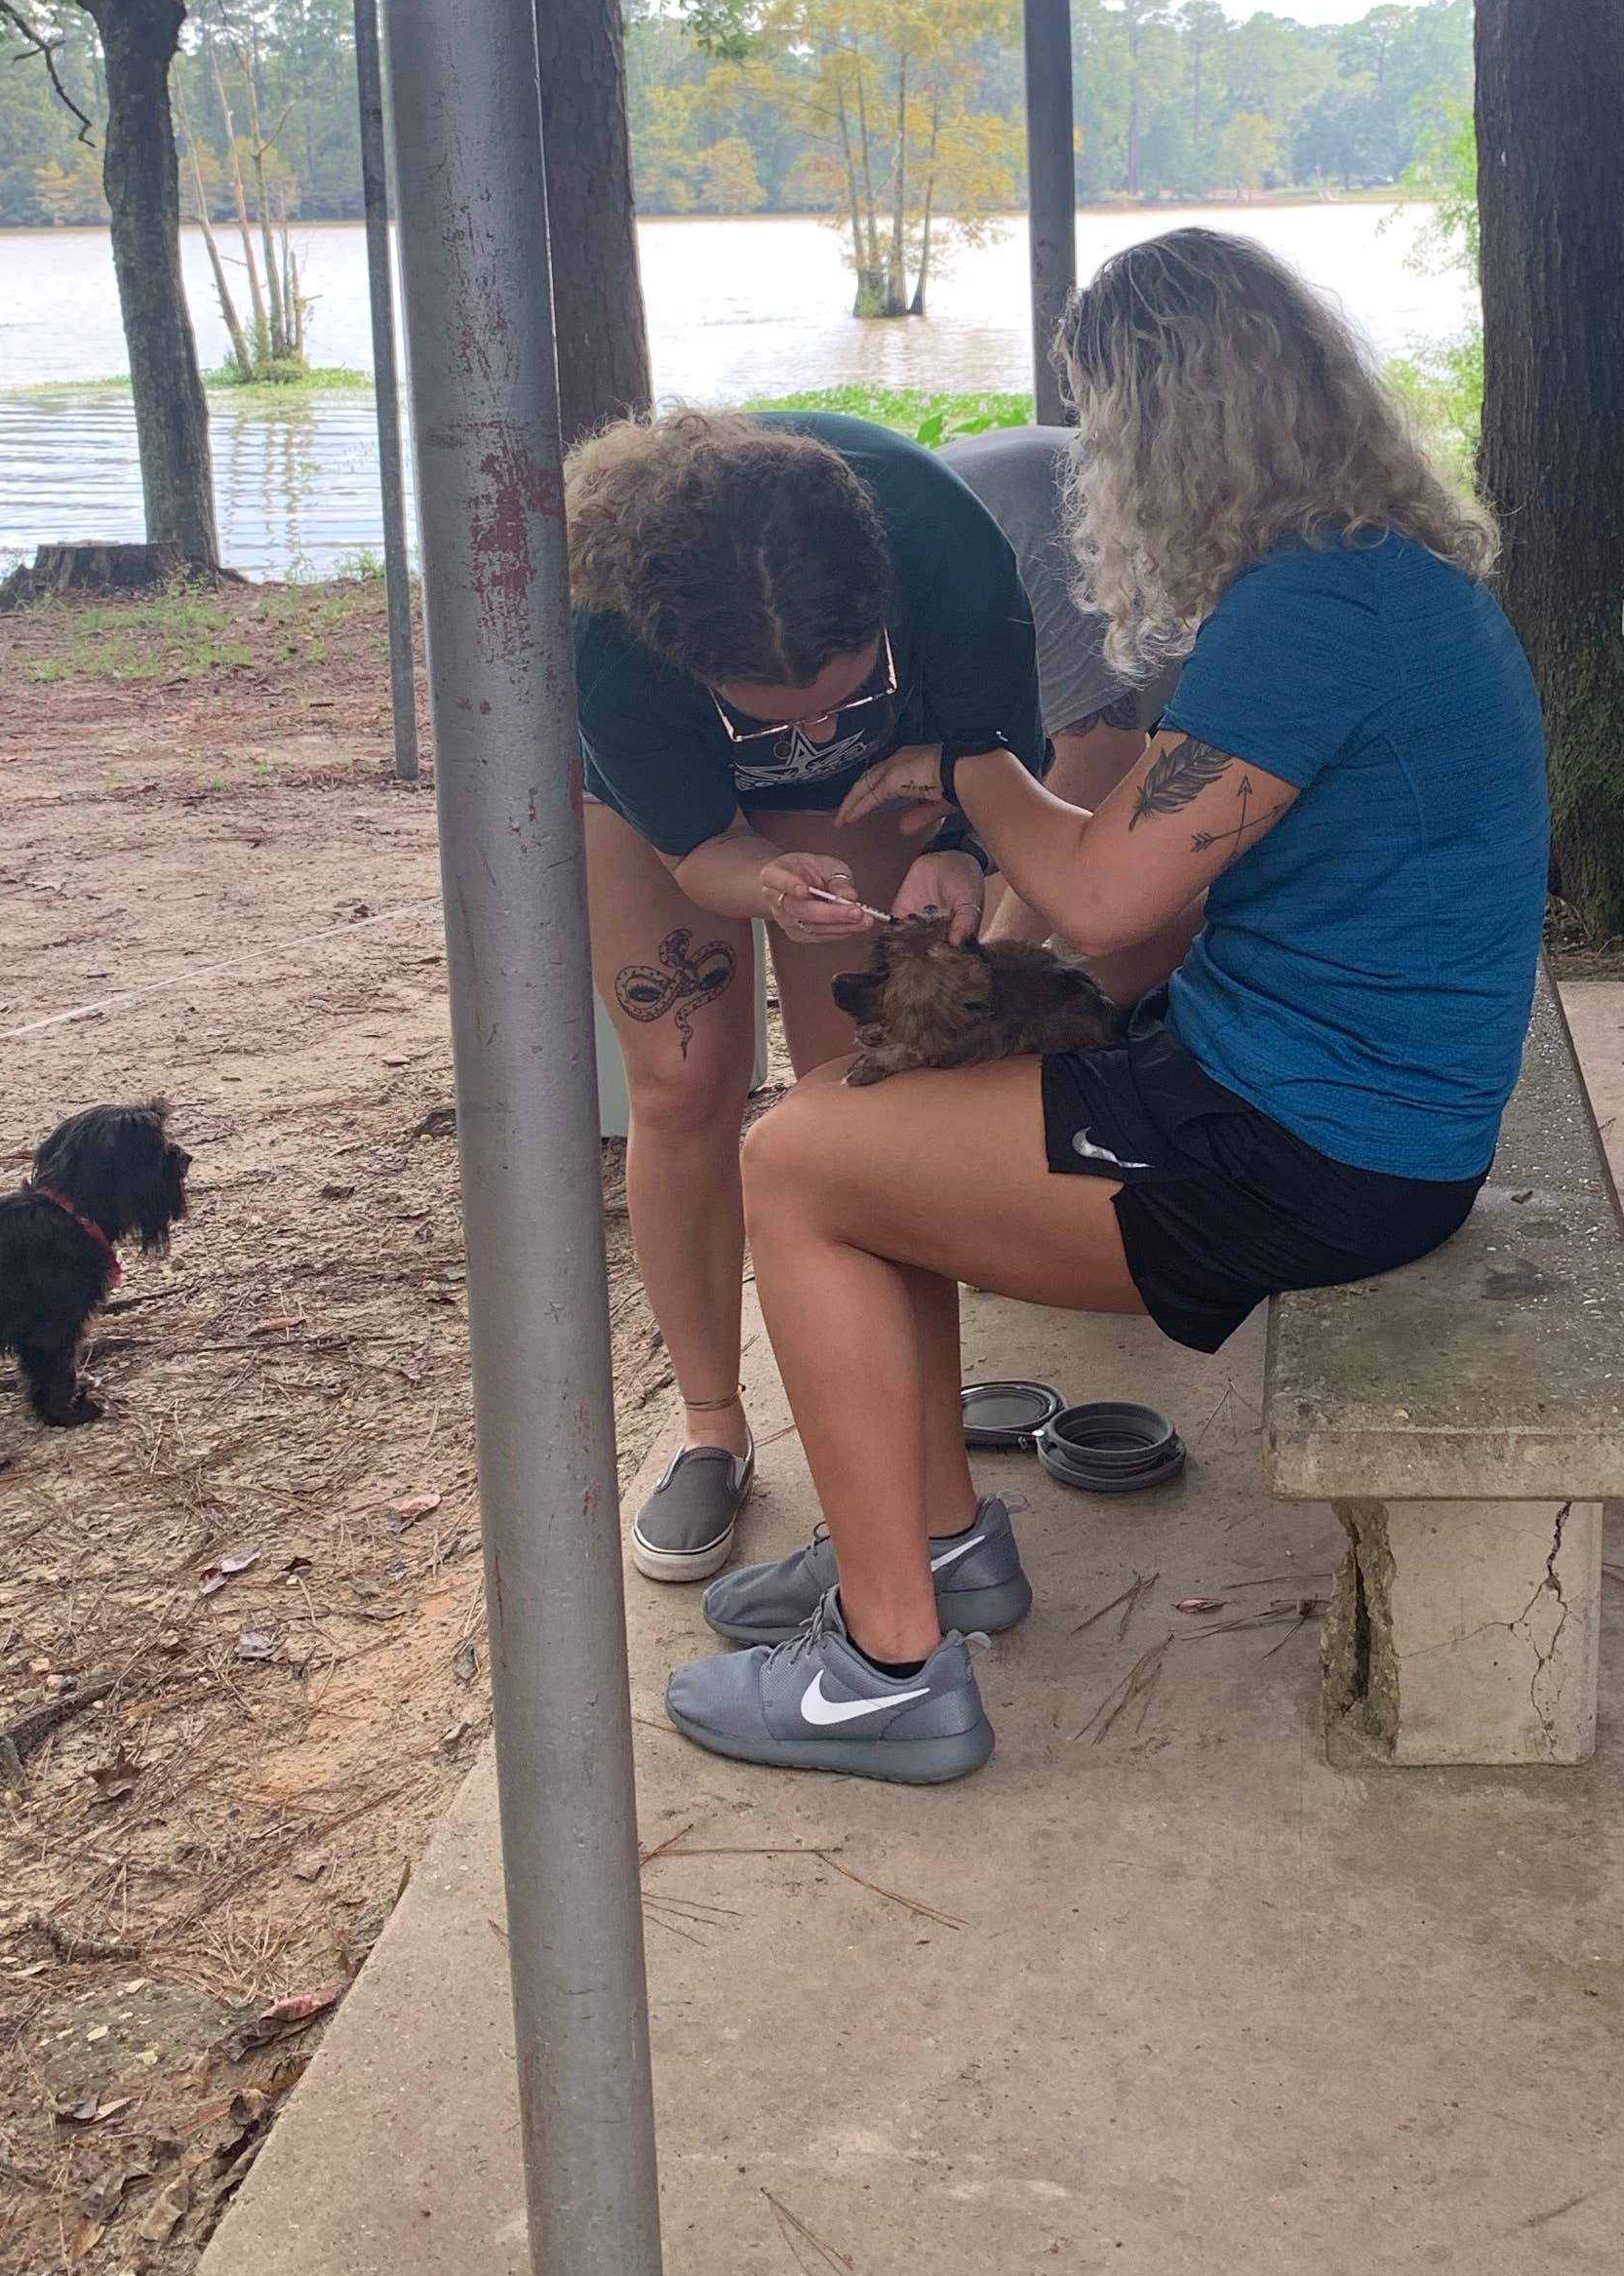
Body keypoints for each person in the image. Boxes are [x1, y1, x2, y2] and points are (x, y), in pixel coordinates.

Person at [665, 225, 1550, 1787]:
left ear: (1169, 427)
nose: (1094, 465)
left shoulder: (1315, 618)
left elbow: (1106, 899)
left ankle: (886, 1674)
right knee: (876, 1126)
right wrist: (979, 852)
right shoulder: (1362, 586)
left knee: (791, 1165)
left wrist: (967, 773)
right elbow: (1146, 860)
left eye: (1103, 421)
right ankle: (933, 1555)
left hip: (1319, 1150)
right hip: (1328, 1099)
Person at [565, 406, 1050, 1591]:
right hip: (655, 818)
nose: (817, 731)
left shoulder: (943, 541)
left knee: (863, 1107)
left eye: (844, 691)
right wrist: (763, 881)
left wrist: (967, 856)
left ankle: (911, 1428)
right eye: (773, 712)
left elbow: (1002, 770)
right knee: (682, 1084)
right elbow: (697, 857)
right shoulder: (604, 634)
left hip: (892, 789)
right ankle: (712, 1425)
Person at [934, 422, 1178, 940]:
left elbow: (1102, 766)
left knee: (1099, 933)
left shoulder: (1026, 542)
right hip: (1027, 529)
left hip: (1202, 650)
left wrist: (991, 977)